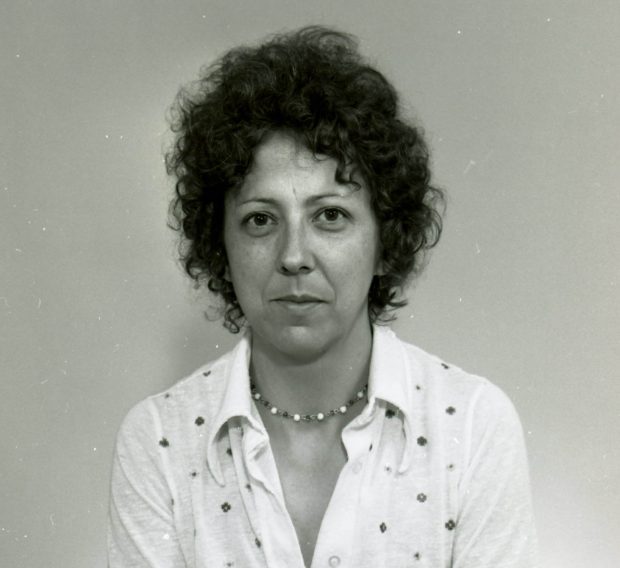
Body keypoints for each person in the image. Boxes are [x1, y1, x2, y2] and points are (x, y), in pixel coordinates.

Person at [108, 26, 538, 568]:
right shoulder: (158, 441)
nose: (293, 255)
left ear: (387, 242)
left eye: (330, 216)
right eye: (260, 220)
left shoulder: (473, 426)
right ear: (221, 246)